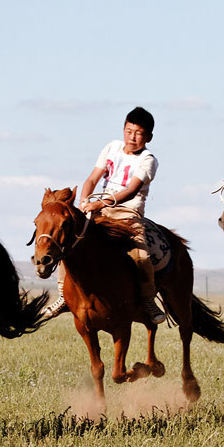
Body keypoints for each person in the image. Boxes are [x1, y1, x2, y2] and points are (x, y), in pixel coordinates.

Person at [43, 106, 166, 325]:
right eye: (129, 131)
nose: (132, 137)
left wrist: (99, 202)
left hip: (128, 211)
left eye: (139, 133)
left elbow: (131, 190)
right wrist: (84, 201)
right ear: (123, 129)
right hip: (99, 208)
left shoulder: (148, 160)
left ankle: (148, 299)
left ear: (148, 137)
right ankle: (63, 294)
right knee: (69, 240)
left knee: (142, 255)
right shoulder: (112, 147)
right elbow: (92, 179)